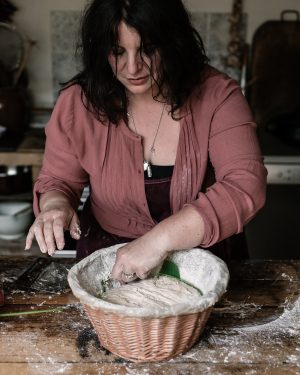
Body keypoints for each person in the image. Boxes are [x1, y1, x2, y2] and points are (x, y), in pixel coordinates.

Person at [25, 0, 267, 283]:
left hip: (204, 267)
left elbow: (244, 185)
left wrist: (158, 240)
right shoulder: (78, 103)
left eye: (148, 49)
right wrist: (55, 206)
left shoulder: (218, 96)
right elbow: (59, 181)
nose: (132, 67)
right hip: (109, 264)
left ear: (173, 42)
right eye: (117, 52)